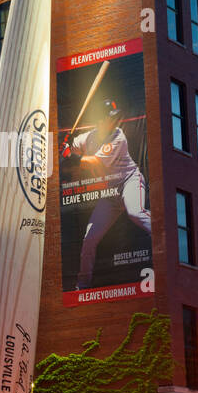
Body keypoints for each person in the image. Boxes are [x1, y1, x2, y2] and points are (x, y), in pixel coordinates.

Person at [60, 99, 151, 289]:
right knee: (89, 238)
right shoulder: (90, 137)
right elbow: (70, 149)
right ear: (99, 120)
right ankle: (82, 284)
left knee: (136, 213)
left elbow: (95, 162)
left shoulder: (118, 136)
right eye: (108, 118)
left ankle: (167, 235)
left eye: (114, 118)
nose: (113, 121)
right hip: (110, 193)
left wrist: (71, 155)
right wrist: (64, 148)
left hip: (129, 182)